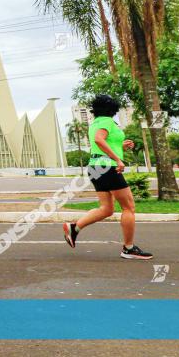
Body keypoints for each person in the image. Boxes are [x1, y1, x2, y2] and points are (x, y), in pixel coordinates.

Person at [63, 94, 153, 260]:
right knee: (129, 207)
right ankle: (128, 248)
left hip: (96, 167)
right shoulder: (107, 121)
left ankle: (74, 227)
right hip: (107, 167)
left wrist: (121, 145)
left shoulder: (95, 123)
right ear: (112, 109)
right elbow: (99, 140)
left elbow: (103, 142)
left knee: (106, 209)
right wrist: (117, 159)